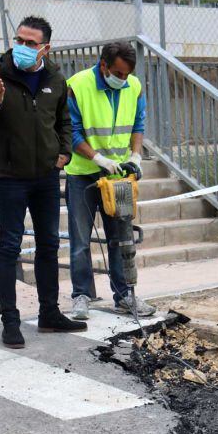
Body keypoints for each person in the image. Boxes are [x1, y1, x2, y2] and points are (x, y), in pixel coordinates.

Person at [0, 16, 86, 348]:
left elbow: (65, 120)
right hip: (11, 177)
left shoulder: (55, 79)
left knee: (49, 245)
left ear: (45, 48)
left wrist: (64, 152)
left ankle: (49, 314)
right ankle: (11, 321)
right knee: (10, 246)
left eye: (30, 43)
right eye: (18, 40)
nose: (21, 47)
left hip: (46, 177)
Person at [64, 42, 156, 319]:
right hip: (82, 173)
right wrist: (97, 158)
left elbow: (138, 124)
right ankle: (81, 295)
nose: (123, 79)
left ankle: (125, 295)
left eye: (127, 74)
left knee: (121, 239)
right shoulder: (77, 86)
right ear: (103, 65)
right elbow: (72, 130)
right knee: (80, 240)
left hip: (118, 175)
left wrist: (136, 155)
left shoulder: (134, 87)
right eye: (118, 72)